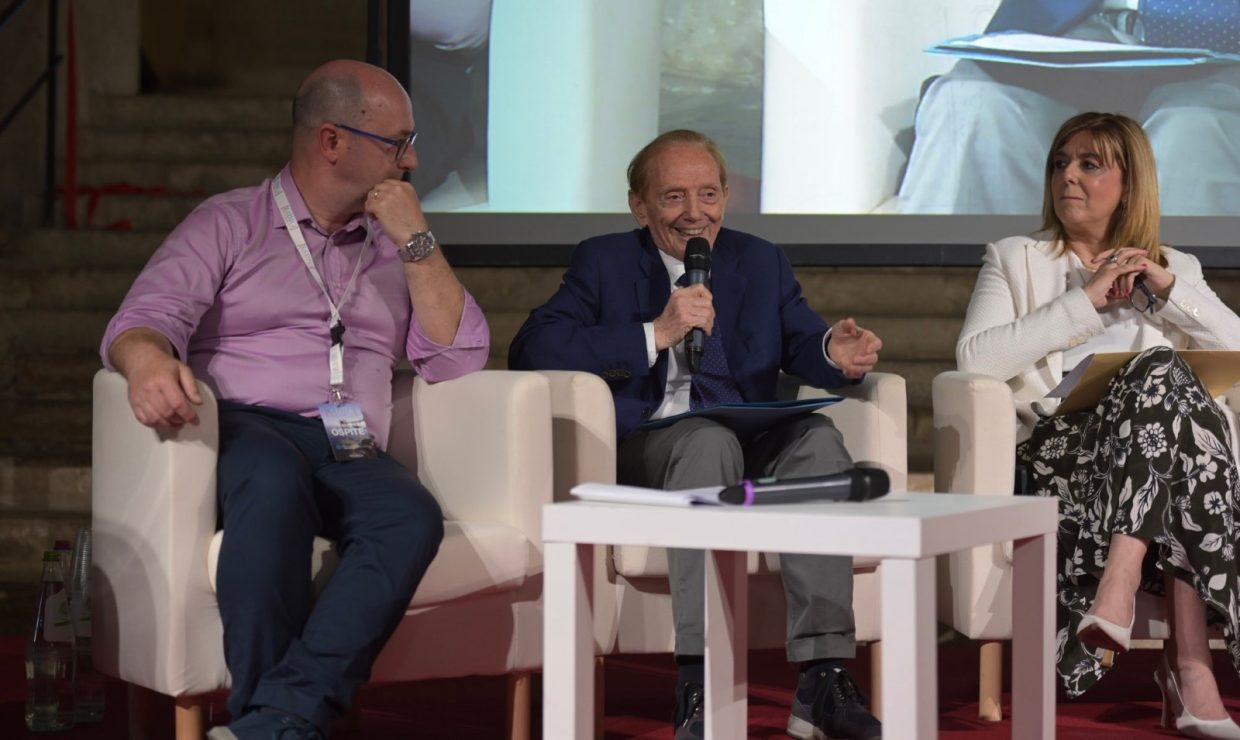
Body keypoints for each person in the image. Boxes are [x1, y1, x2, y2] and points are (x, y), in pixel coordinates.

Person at [99, 60, 490, 739]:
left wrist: (417, 242)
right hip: (251, 426)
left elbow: (457, 358)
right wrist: (147, 361)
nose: (413, 160)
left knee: (409, 515)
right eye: (398, 143)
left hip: (350, 442)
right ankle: (277, 719)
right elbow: (142, 321)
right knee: (273, 485)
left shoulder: (398, 247)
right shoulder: (229, 222)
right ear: (331, 142)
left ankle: (273, 720)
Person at [508, 129, 884, 740]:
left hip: (748, 432)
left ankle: (823, 677)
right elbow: (532, 348)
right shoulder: (604, 261)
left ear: (726, 197)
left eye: (708, 194)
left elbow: (802, 339)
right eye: (674, 196)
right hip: (658, 442)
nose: (694, 213)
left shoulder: (759, 260)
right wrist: (654, 333)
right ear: (640, 206)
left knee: (818, 439)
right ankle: (701, 680)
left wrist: (832, 352)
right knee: (707, 441)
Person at [957, 111, 1240, 736]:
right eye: (1061, 163)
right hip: (1066, 456)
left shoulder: (1178, 267)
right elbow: (976, 359)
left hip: (1157, 466)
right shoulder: (1016, 259)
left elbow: (1236, 347)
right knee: (1166, 382)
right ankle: (1191, 668)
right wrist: (1083, 300)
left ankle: (1124, 583)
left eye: (1089, 165)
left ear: (1130, 183)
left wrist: (1170, 292)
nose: (1068, 177)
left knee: (1167, 392)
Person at [899, 0, 1240, 215]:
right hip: (1064, 25)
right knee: (971, 103)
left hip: (1224, 38)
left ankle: (1168, 301)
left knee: (1193, 129)